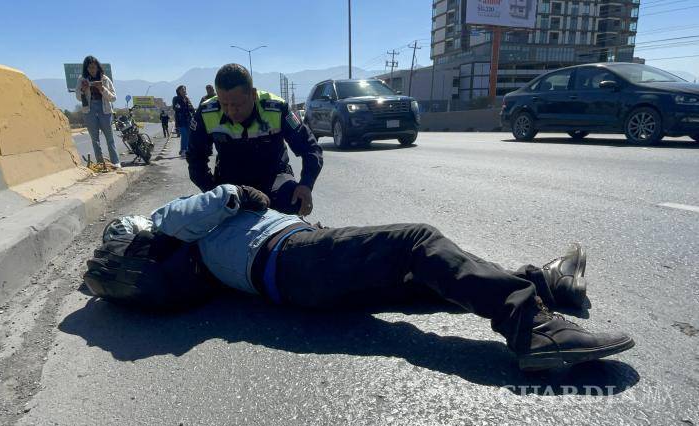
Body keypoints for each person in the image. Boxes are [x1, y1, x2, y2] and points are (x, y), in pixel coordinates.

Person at [100, 185, 633, 372]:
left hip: (295, 280)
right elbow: (204, 204)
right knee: (415, 241)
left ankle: (543, 284)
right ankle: (533, 326)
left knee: (426, 277)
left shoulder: (197, 257)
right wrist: (241, 192)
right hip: (292, 256)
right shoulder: (174, 225)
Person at [187, 64, 323, 216]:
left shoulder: (276, 109)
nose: (231, 111)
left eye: (238, 104)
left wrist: (306, 184)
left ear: (252, 94)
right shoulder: (206, 112)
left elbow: (310, 148)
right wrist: (211, 191)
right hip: (231, 182)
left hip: (273, 177)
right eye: (224, 104)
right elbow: (195, 158)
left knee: (294, 201)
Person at [75, 55, 120, 169]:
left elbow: (113, 98)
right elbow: (78, 98)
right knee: (95, 140)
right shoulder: (82, 79)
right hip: (89, 110)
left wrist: (102, 88)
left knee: (109, 138)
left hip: (104, 109)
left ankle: (116, 162)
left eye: (94, 67)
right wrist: (83, 90)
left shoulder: (105, 79)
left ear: (98, 67)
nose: (92, 70)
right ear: (86, 69)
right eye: (89, 68)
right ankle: (101, 163)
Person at [172, 85, 194, 158]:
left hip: (189, 120)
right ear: (178, 91)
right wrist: (180, 108)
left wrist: (195, 115)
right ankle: (183, 150)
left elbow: (191, 108)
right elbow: (176, 108)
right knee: (184, 135)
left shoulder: (187, 98)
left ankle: (186, 149)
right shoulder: (176, 98)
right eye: (182, 90)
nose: (184, 91)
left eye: (184, 89)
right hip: (181, 120)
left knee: (189, 135)